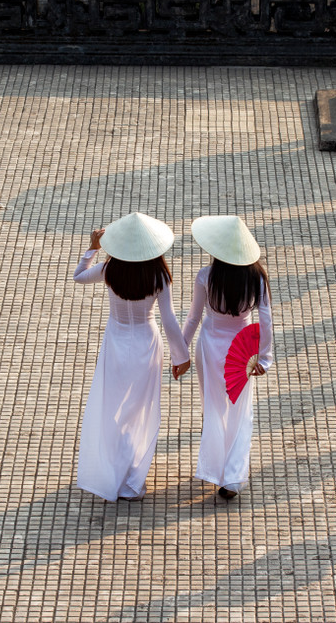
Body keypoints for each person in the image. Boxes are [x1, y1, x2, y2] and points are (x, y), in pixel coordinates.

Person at [73, 212, 190, 502]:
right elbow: (169, 320)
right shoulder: (159, 275)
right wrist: (181, 356)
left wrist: (92, 248)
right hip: (146, 344)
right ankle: (131, 480)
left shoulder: (109, 269)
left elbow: (78, 277)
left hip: (115, 341)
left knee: (114, 406)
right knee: (139, 409)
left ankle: (112, 469)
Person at [183, 216, 274, 499]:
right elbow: (266, 319)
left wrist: (180, 351)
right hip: (242, 350)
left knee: (213, 407)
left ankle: (213, 467)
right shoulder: (257, 277)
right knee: (240, 411)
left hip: (210, 347)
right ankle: (232, 478)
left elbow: (195, 317)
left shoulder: (206, 276)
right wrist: (265, 358)